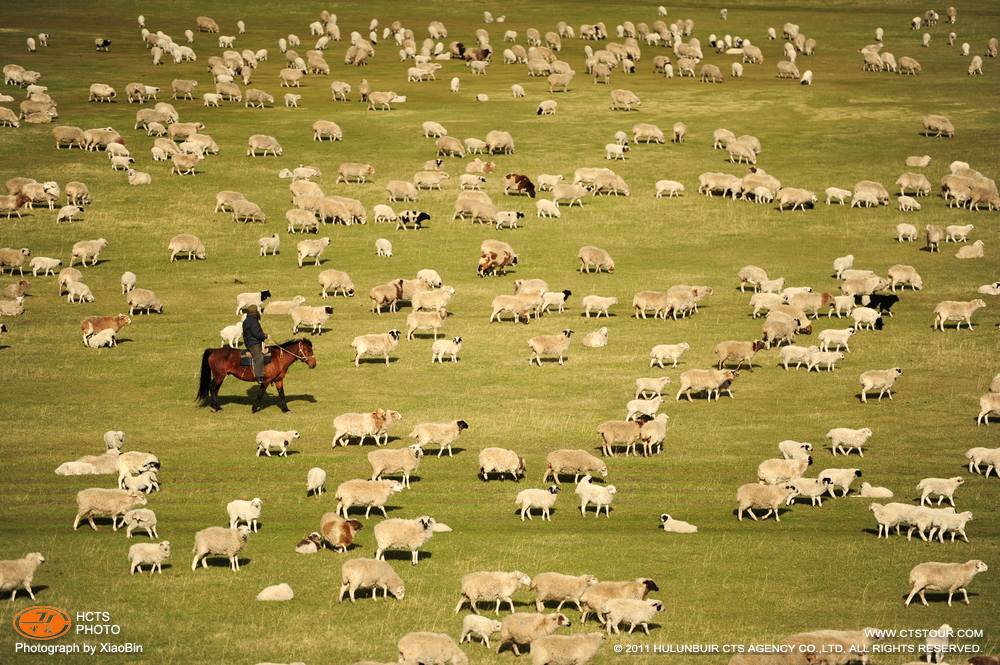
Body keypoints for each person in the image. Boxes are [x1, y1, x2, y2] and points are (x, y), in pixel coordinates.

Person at [241, 305, 269, 384]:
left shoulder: (248, 320)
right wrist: (265, 336)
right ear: (255, 312)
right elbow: (257, 334)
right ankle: (259, 376)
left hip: (250, 341)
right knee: (259, 357)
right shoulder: (253, 321)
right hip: (253, 343)